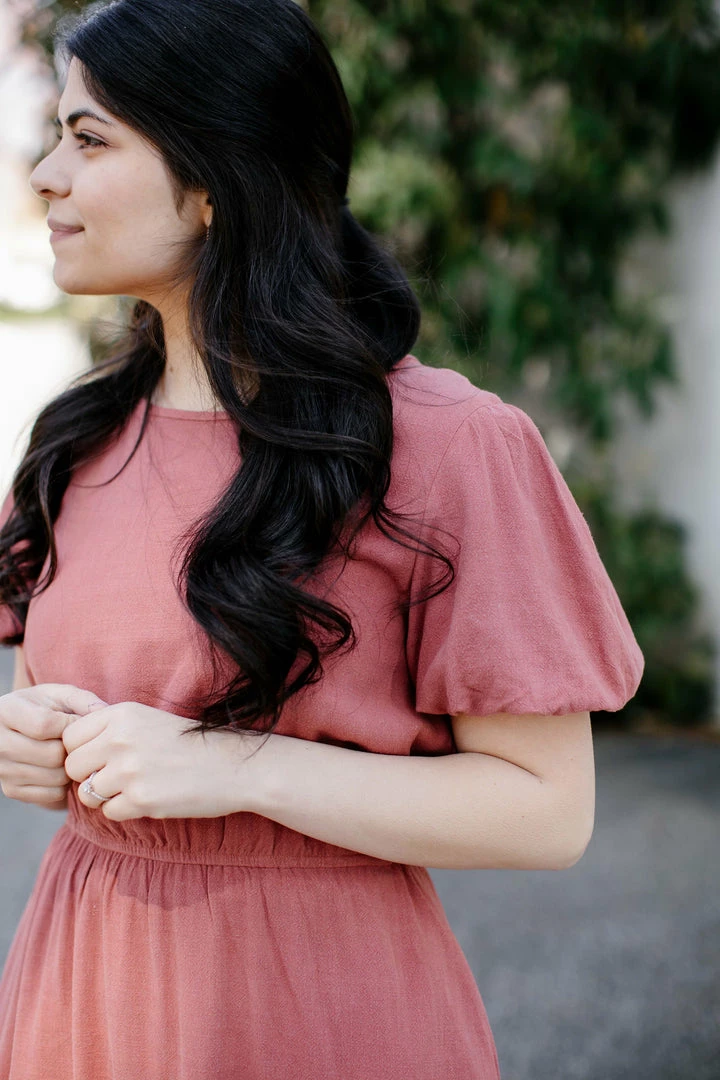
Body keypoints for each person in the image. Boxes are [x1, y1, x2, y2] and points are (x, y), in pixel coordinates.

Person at [0, 1, 644, 1077]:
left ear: (214, 182)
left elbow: (546, 813)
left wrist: (236, 767)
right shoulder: (79, 437)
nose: (46, 174)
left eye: (90, 137)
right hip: (87, 987)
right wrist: (26, 739)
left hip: (314, 1003)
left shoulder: (450, 445)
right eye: (56, 134)